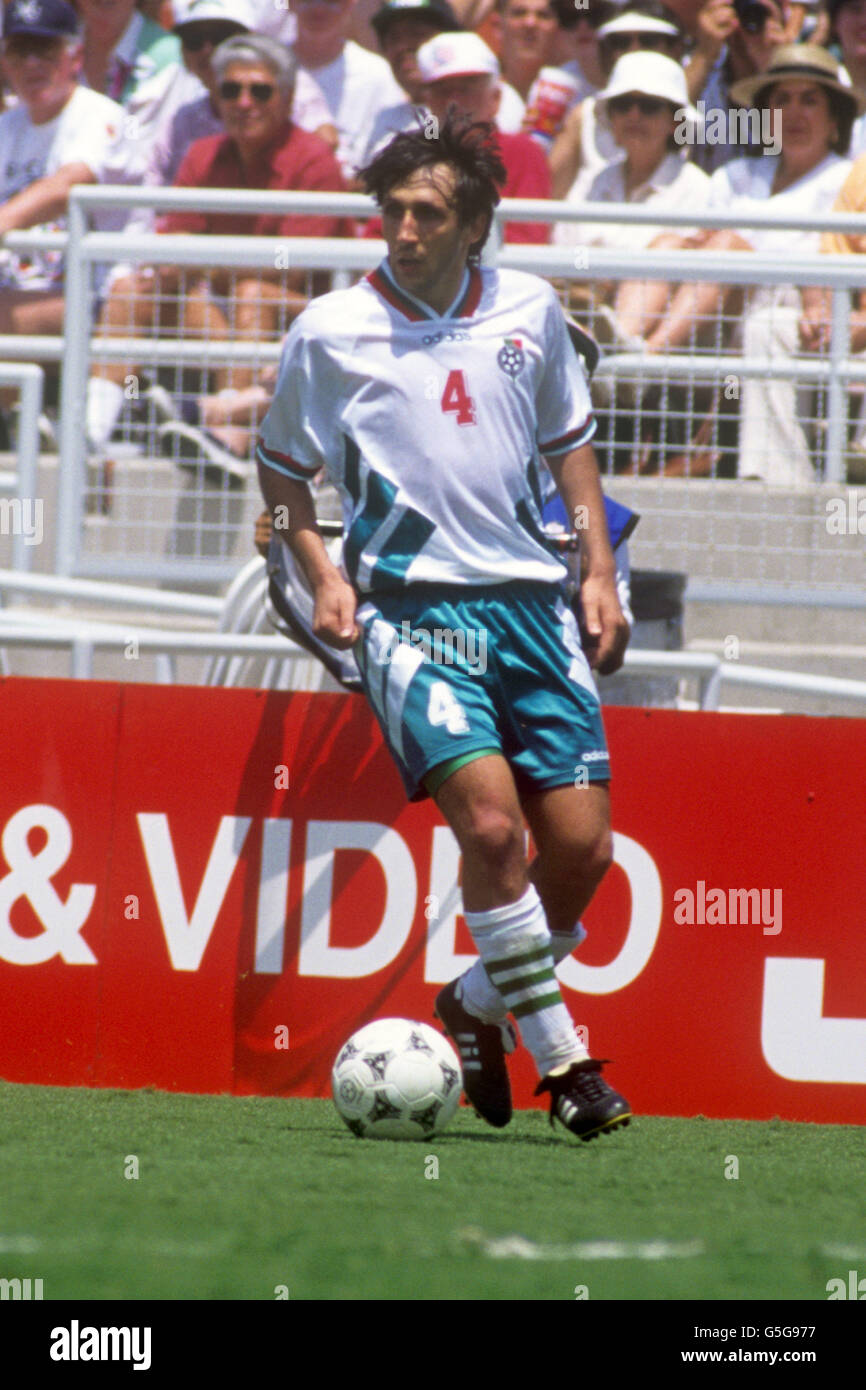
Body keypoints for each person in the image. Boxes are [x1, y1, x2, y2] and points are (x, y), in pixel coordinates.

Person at [256, 113, 633, 1140]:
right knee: (491, 828)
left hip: (531, 609)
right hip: (413, 617)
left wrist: (596, 569)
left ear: (475, 225)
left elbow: (570, 449)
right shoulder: (331, 330)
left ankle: (472, 1002)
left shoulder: (532, 308)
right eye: (392, 209)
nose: (404, 227)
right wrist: (321, 573)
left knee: (579, 851)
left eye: (428, 212)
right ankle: (568, 1069)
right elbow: (280, 470)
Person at [85, 34, 350, 481]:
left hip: (306, 320)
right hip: (225, 313)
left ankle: (225, 433)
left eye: (260, 90)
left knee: (255, 294)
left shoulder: (314, 158)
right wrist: (202, 265)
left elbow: (291, 268)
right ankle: (91, 435)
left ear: (285, 98)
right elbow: (173, 250)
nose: (244, 102)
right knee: (132, 290)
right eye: (230, 90)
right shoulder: (203, 154)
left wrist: (206, 262)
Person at [0, 0, 144, 341]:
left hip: (99, 299)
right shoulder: (7, 126)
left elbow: (68, 186)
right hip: (17, 292)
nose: (32, 63)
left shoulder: (100, 115)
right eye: (20, 51)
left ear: (75, 56)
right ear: (5, 62)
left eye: (46, 50)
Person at [416, 31, 554, 240]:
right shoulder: (413, 156)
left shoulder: (522, 153)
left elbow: (528, 239)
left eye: (466, 89)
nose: (453, 101)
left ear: (495, 98)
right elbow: (375, 238)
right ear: (429, 101)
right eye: (442, 91)